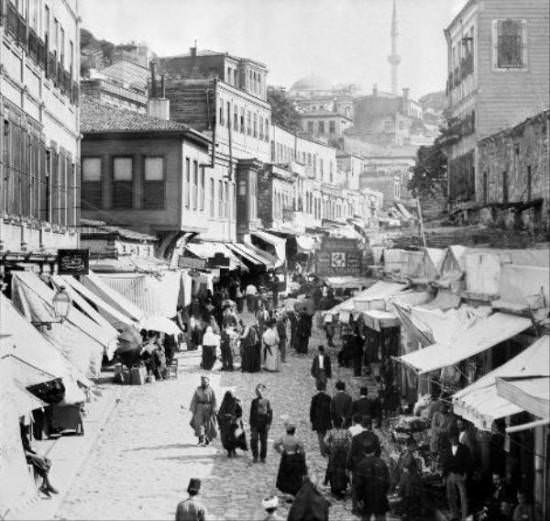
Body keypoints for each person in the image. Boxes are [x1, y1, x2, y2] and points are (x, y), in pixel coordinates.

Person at [20, 419, 58, 496]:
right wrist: (34, 455)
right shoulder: (18, 439)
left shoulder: (24, 437)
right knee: (40, 461)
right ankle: (47, 485)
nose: (28, 431)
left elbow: (28, 448)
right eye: (26, 429)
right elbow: (23, 451)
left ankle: (44, 484)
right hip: (25, 456)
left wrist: (36, 454)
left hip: (29, 454)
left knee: (47, 461)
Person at [353, 444, 391, 521]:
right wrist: (384, 493)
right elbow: (387, 481)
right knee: (380, 517)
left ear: (364, 452)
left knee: (365, 517)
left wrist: (359, 498)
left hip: (366, 498)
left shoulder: (361, 464)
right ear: (374, 451)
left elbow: (358, 484)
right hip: (380, 496)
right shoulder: (382, 463)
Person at [442, 427, 471, 521]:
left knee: (463, 497)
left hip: (459, 474)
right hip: (450, 475)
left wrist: (466, 473)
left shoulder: (464, 449)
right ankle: (454, 515)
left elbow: (468, 463)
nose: (453, 440)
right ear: (449, 439)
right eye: (451, 439)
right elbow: (445, 463)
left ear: (457, 437)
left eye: (454, 438)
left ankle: (464, 517)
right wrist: (444, 476)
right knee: (450, 496)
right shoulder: (447, 449)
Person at [274, 423, 307, 497]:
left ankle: (285, 489)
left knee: (284, 473)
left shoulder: (283, 437)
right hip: (294, 458)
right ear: (294, 431)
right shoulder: (297, 439)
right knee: (294, 475)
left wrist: (281, 451)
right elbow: (302, 450)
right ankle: (293, 489)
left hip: (285, 457)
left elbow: (275, 444)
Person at [324, 416, 352, 498]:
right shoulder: (346, 432)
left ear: (333, 423)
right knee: (343, 468)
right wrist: (346, 447)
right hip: (343, 453)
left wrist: (330, 446)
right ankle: (343, 486)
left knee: (332, 468)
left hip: (334, 453)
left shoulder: (331, 432)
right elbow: (350, 442)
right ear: (342, 423)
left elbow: (325, 440)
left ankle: (332, 485)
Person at [217, 390, 247, 458]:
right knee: (226, 439)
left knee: (234, 438)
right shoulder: (224, 403)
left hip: (233, 424)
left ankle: (233, 451)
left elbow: (239, 413)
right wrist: (223, 419)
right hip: (225, 425)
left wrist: (234, 417)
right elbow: (219, 414)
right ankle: (230, 451)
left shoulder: (236, 403)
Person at [189, 376, 217, 446]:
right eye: (202, 382)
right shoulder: (198, 389)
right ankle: (200, 440)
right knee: (199, 424)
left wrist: (214, 409)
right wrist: (193, 409)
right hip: (199, 408)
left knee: (208, 425)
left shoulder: (211, 390)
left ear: (208, 382)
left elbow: (214, 400)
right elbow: (194, 399)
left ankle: (207, 440)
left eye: (205, 382)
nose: (203, 383)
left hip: (208, 408)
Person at [249, 384, 273, 463]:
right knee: (254, 440)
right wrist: (251, 424)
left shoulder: (267, 401)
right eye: (257, 391)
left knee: (263, 441)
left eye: (259, 391)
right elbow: (251, 413)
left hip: (264, 425)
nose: (258, 392)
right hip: (255, 424)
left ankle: (263, 457)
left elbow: (270, 413)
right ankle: (255, 456)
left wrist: (268, 423)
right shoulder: (254, 401)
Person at [309, 380, 332, 457]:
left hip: (317, 420)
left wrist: (312, 420)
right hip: (326, 420)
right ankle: (324, 450)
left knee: (320, 436)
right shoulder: (328, 398)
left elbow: (312, 410)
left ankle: (323, 451)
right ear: (325, 388)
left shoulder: (315, 398)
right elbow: (330, 410)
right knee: (323, 435)